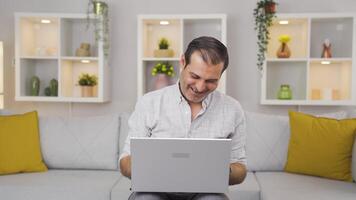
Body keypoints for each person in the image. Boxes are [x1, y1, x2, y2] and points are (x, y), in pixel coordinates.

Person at [120, 36, 247, 200]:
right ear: (182, 62)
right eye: (195, 76)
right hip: (155, 190)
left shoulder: (233, 109)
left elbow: (240, 169)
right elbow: (124, 162)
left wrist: (220, 169)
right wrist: (146, 167)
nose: (200, 87)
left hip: (205, 192)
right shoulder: (149, 102)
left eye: (211, 81)